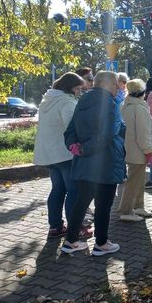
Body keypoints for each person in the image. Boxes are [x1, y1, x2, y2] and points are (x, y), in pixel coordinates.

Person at [61, 70, 125, 255]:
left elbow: (70, 130)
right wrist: (85, 148)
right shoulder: (111, 105)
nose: (117, 89)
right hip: (106, 163)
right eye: (115, 85)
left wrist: (74, 146)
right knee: (103, 206)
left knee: (81, 203)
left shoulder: (82, 101)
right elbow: (108, 134)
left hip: (84, 163)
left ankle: (71, 241)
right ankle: (102, 243)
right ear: (106, 85)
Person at [33, 72, 90, 239]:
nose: (80, 92)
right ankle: (75, 227)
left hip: (49, 154)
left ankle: (55, 226)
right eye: (78, 88)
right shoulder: (66, 102)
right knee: (74, 191)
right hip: (65, 153)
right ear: (70, 88)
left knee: (58, 189)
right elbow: (73, 127)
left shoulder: (48, 100)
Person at [119, 79, 152, 222]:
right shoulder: (140, 108)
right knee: (133, 181)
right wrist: (148, 151)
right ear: (142, 93)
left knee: (138, 180)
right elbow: (143, 133)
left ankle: (138, 206)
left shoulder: (125, 105)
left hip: (130, 149)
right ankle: (126, 211)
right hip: (138, 150)